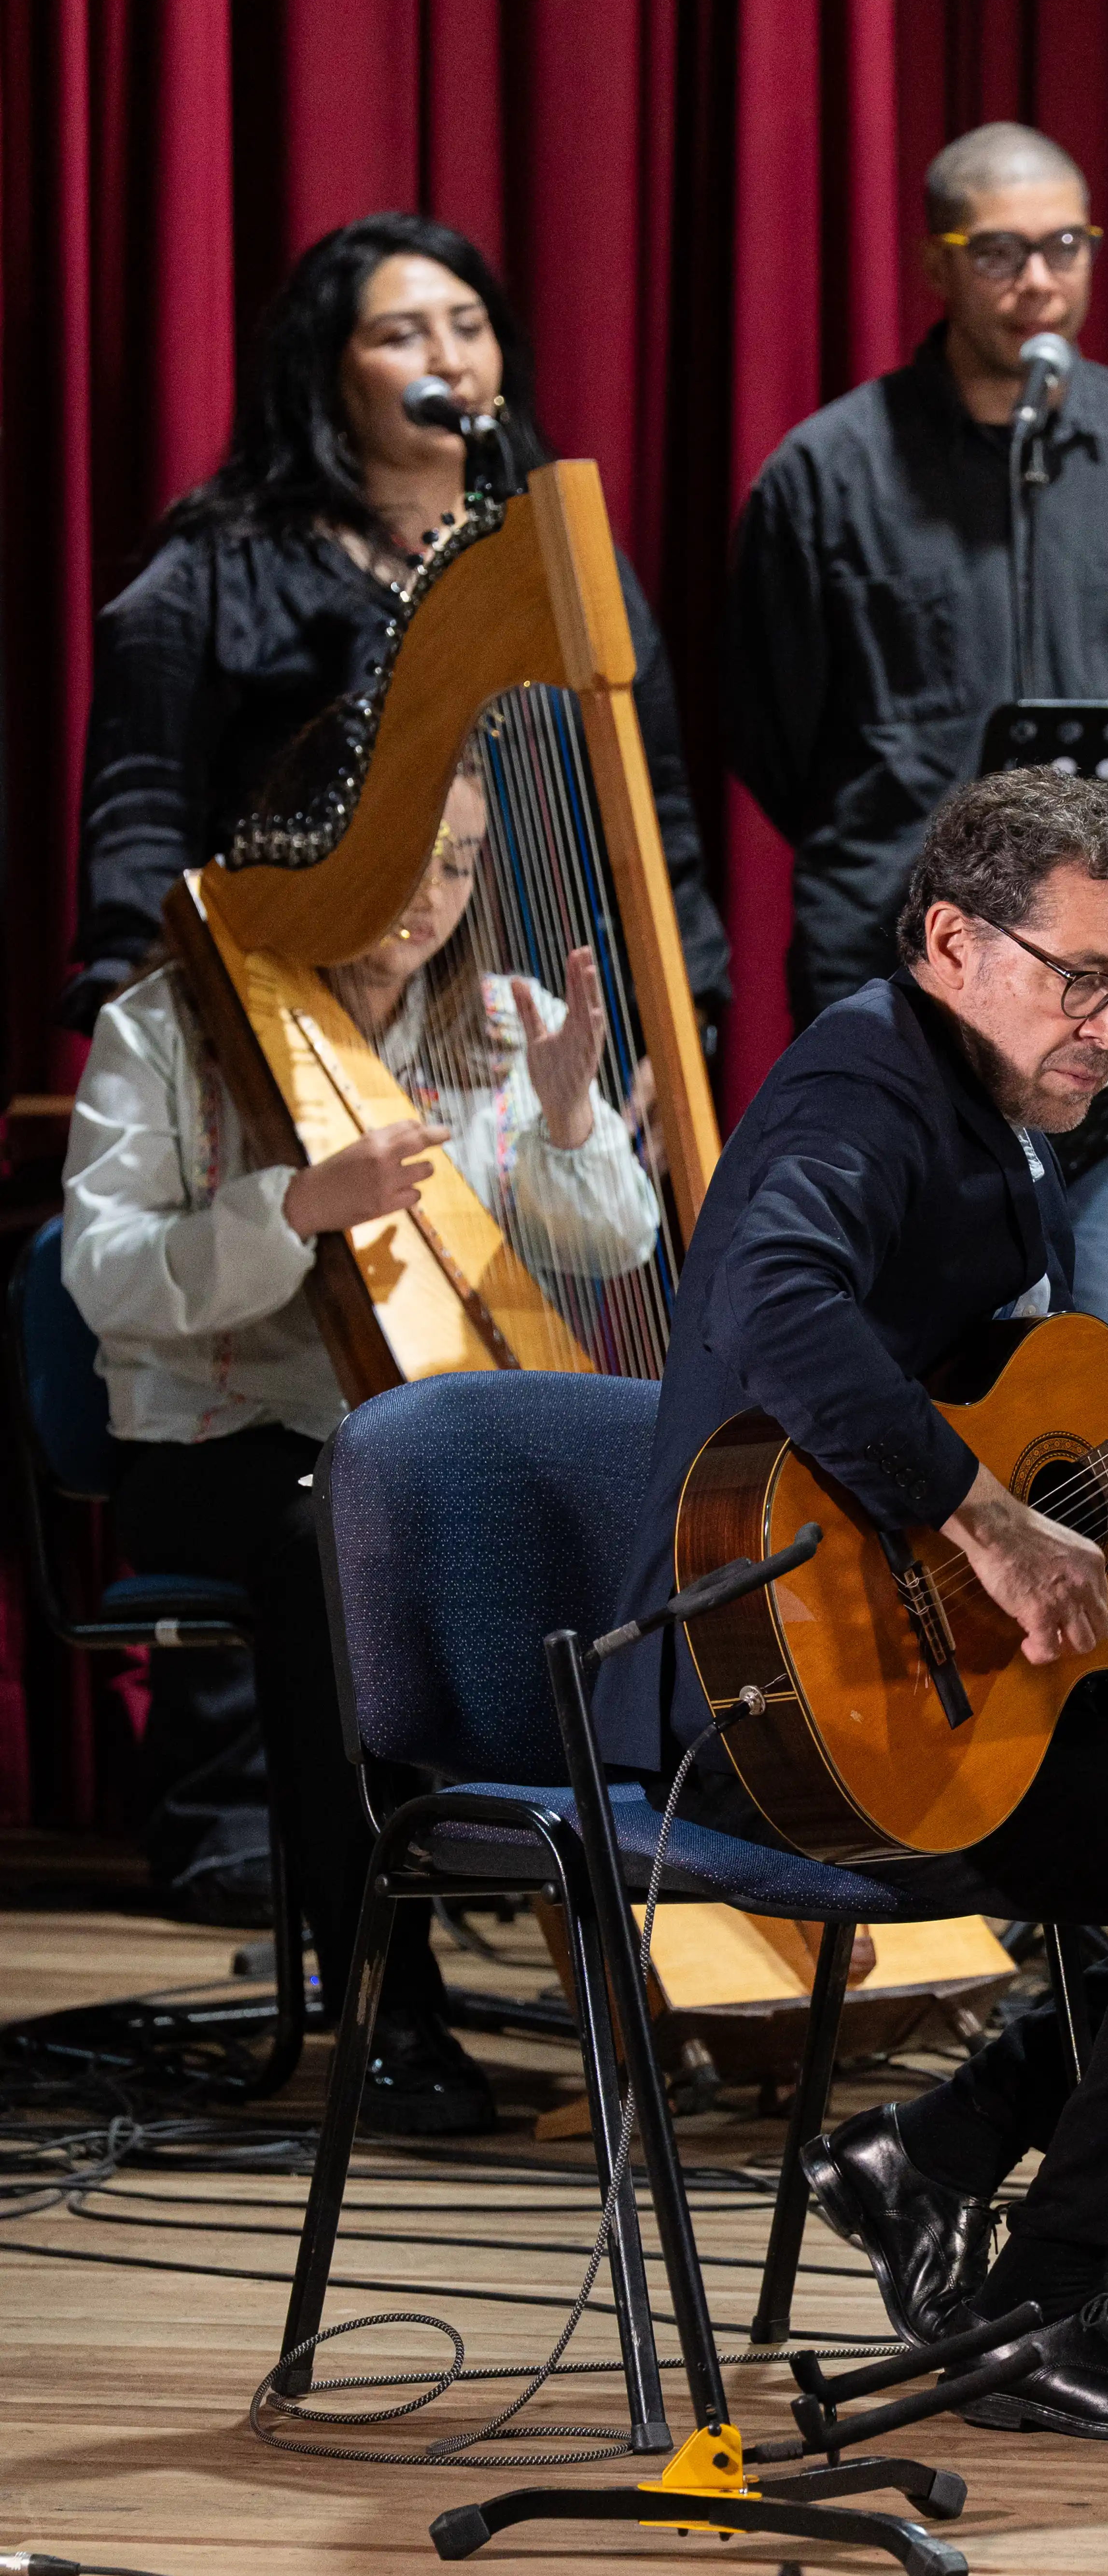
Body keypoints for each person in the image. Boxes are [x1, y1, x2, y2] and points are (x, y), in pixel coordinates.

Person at [595, 768, 1108, 2441]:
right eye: (1080, 979)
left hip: (963, 1678)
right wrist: (981, 1526)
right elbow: (773, 1306)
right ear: (952, 941)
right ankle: (1045, 2295)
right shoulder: (860, 1090)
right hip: (789, 1702)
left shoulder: (1006, 1126)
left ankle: (939, 2152)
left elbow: (1081, 1476)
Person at [63, 210, 728, 1920]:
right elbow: (148, 784)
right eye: (398, 333)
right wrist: (178, 980)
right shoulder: (227, 564)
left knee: (613, 1440)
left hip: (484, 1016)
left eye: (470, 325)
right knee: (313, 1483)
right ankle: (313, 1876)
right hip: (261, 1047)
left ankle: (595, 1839)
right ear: (325, 369)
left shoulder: (542, 564)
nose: (448, 360)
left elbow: (631, 810)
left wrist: (620, 1065)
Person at [61, 764, 659, 2134]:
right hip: (219, 1446)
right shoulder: (164, 1029)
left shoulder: (505, 1022)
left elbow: (610, 1240)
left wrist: (570, 1119)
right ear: (329, 857)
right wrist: (295, 1207)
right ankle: (387, 2004)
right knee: (333, 1538)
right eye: (405, 862)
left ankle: (660, 1949)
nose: (430, 900)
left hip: (409, 1448)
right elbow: (102, 1272)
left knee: (615, 1503)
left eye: (458, 867)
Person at [725, 122, 1108, 1383]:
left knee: (1102, 1381)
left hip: (1105, 1025)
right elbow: (774, 734)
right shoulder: (825, 475)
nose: (1037, 281)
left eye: (1064, 246)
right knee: (901, 1369)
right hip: (898, 995)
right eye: (998, 251)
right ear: (937, 265)